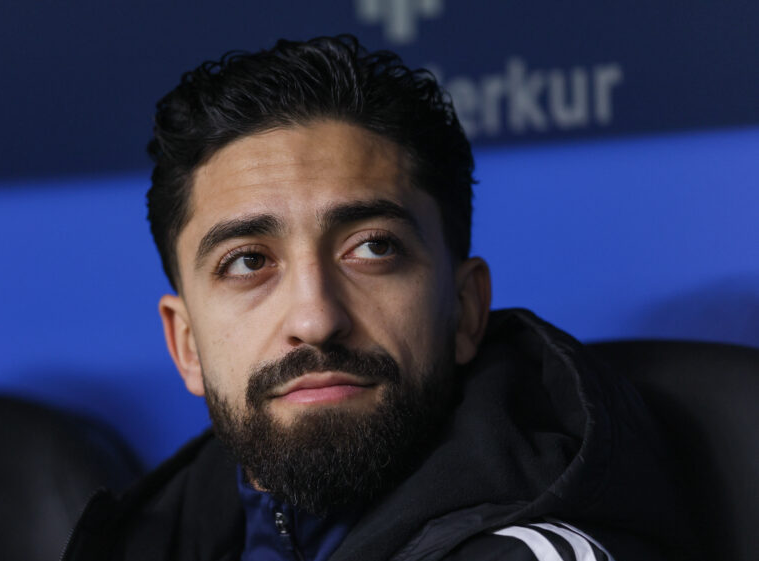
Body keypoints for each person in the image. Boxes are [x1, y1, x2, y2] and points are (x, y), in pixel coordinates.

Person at [62, 35, 694, 561]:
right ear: (187, 345)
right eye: (249, 261)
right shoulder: (152, 539)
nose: (315, 319)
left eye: (373, 248)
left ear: (466, 309)